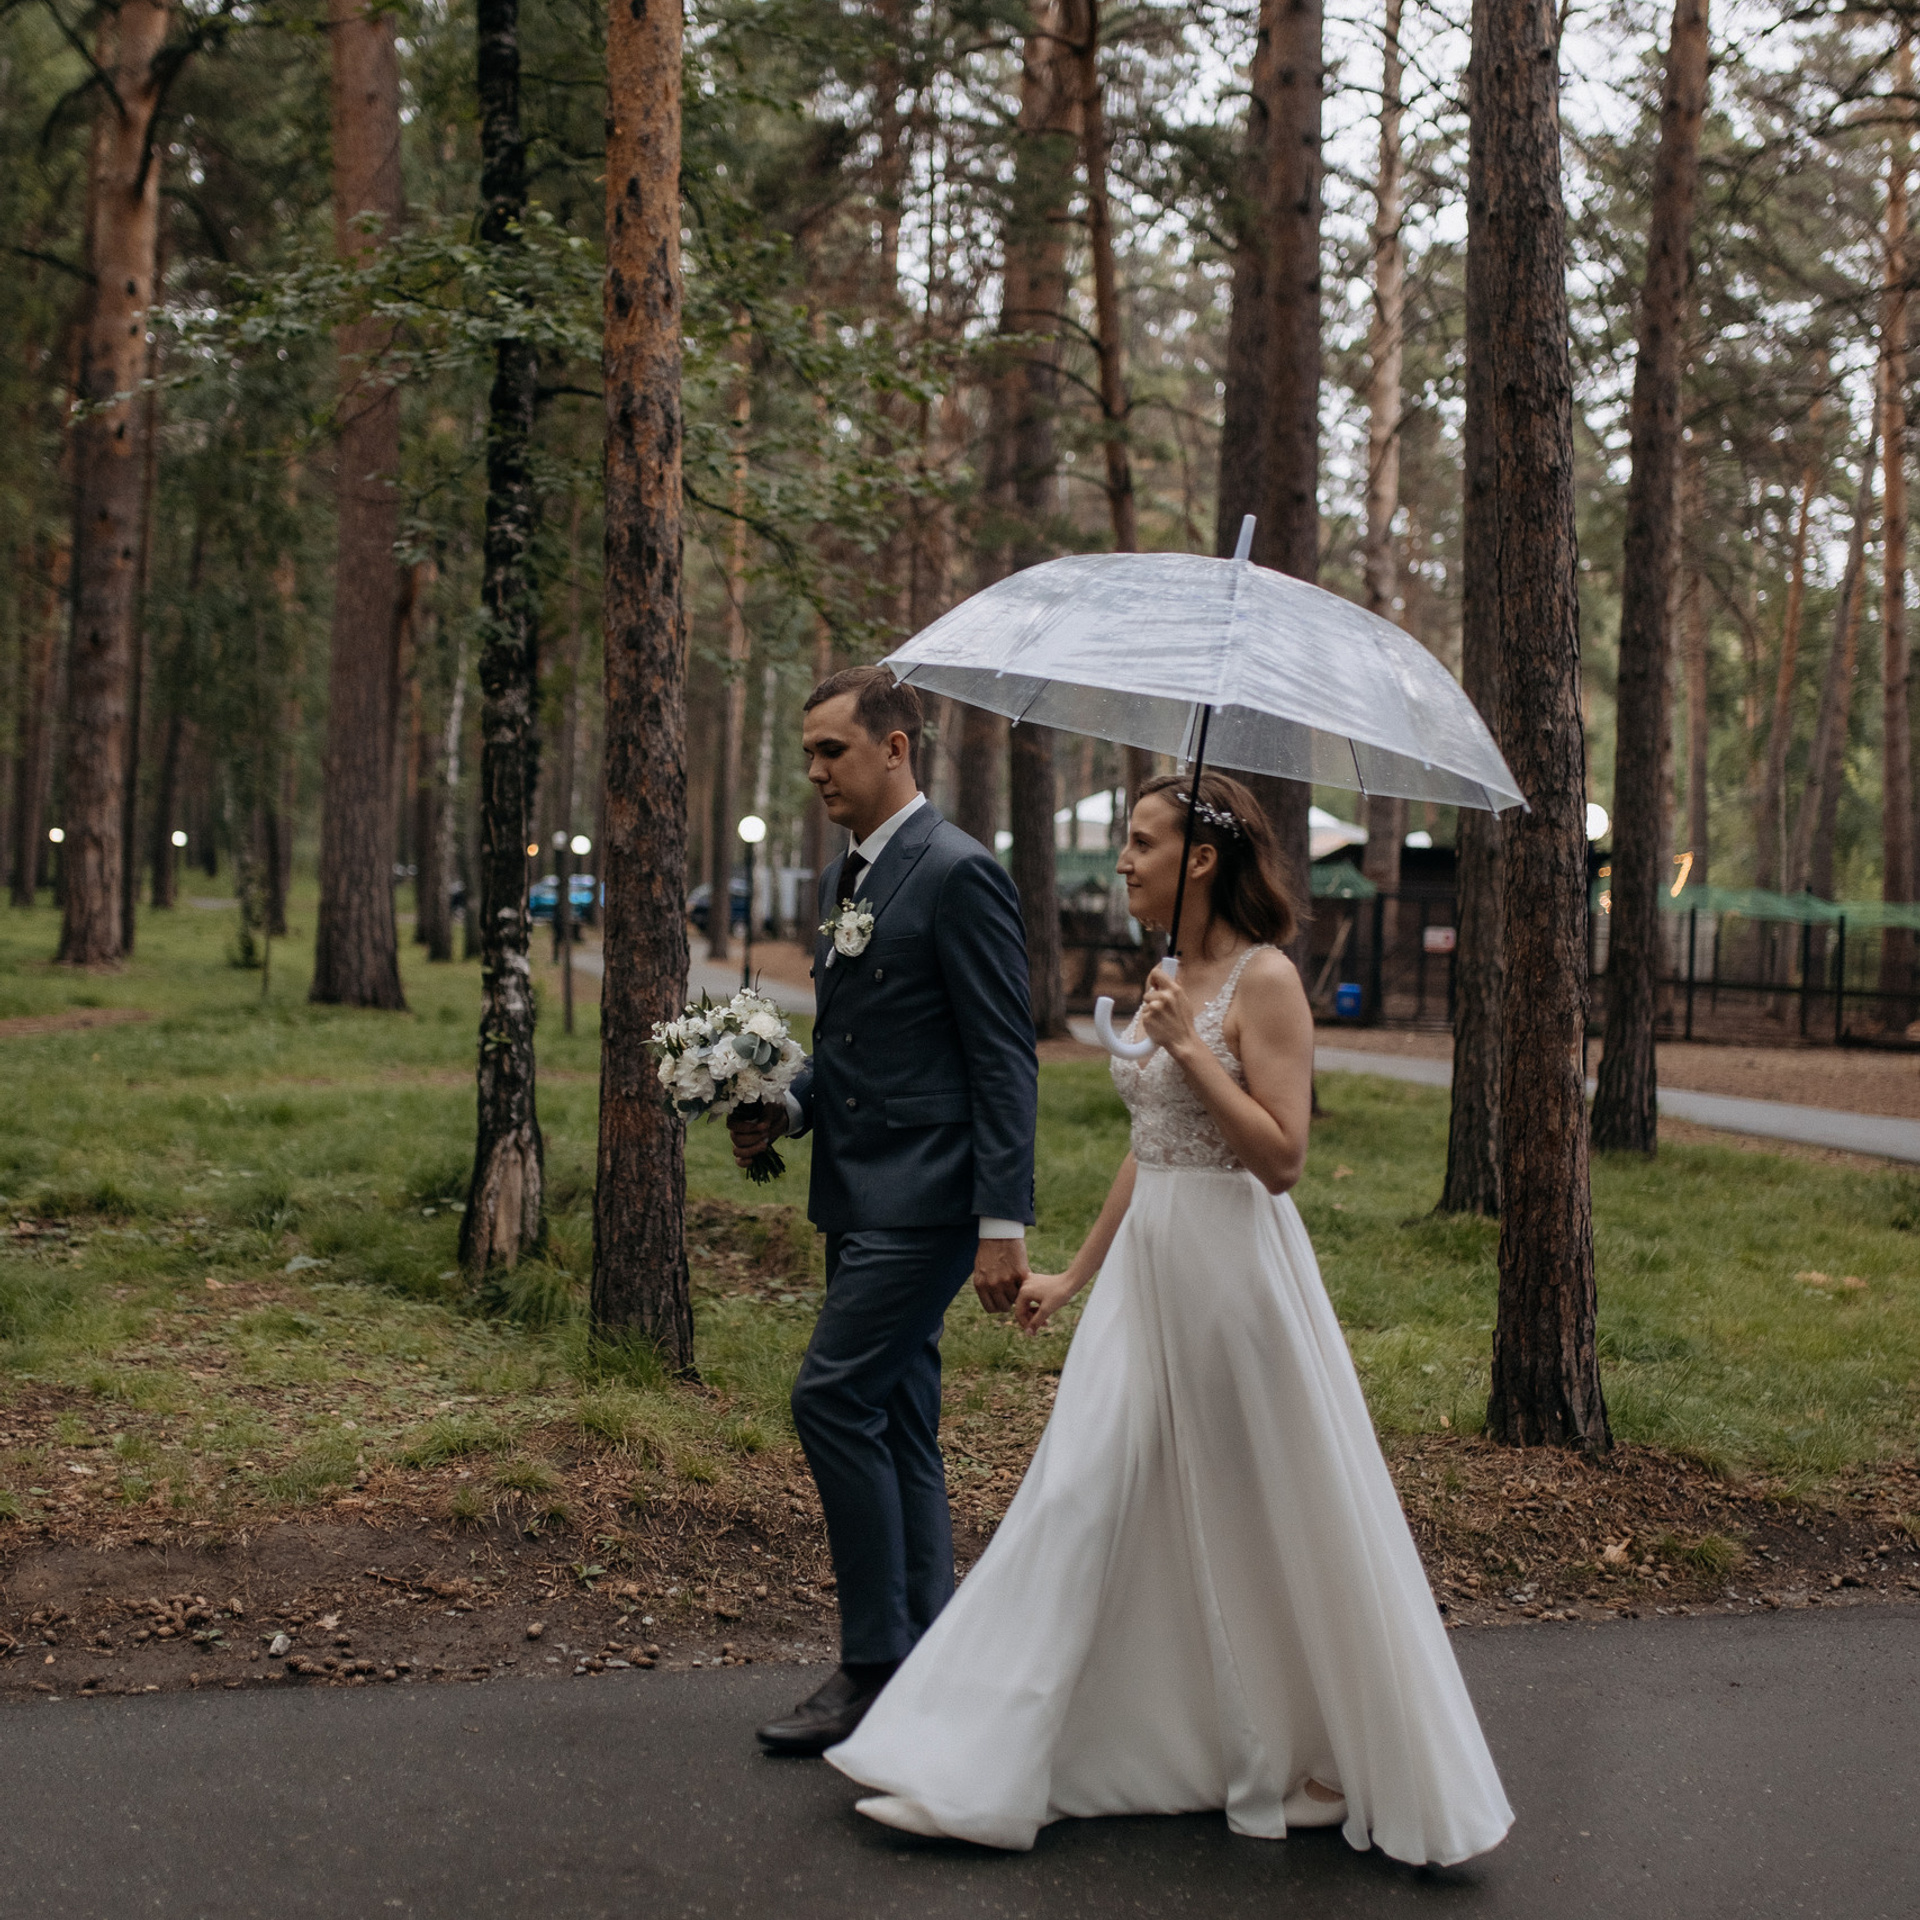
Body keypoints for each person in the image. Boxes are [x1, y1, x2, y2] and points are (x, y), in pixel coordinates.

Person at [825, 771, 1514, 1866]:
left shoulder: (1267, 980)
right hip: (1147, 1274)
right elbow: (1150, 1151)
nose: (1126, 863)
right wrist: (1076, 1274)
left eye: (1143, 844)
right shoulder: (1163, 973)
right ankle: (992, 1757)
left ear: (1200, 858)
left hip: (1235, 1278)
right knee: (1084, 1491)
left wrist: (1191, 1045)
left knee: (1268, 1511)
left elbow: (1282, 1158)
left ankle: (1317, 1747)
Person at [728, 666, 1040, 1757]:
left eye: (831, 751)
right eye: (808, 752)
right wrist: (786, 1106)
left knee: (830, 1400)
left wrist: (1002, 1221)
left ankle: (868, 1666)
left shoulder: (959, 875)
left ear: (896, 747)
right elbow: (858, 1044)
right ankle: (927, 1656)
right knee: (900, 1422)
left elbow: (1003, 1061)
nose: (813, 771)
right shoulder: (847, 878)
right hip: (855, 1195)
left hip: (930, 1202)